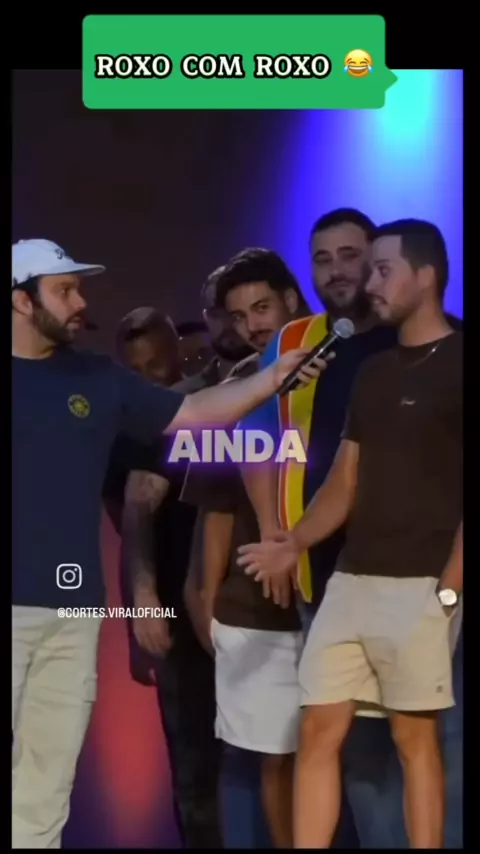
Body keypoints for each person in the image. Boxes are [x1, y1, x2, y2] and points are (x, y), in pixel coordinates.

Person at [11, 237, 320, 849]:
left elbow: (196, 412)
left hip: (72, 616)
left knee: (46, 781)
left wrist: (271, 378)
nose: (81, 301)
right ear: (22, 301)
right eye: (64, 290)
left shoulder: (96, 377)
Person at [238, 219, 463, 848]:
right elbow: (345, 478)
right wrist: (294, 541)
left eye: (382, 269)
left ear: (427, 276)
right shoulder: (373, 372)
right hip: (350, 579)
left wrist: (451, 589)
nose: (369, 282)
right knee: (317, 729)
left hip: (421, 582)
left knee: (414, 738)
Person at [182, 248, 306, 848]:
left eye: (262, 307)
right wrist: (203, 602)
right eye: (239, 315)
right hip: (257, 612)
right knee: (274, 760)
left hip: (336, 596)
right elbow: (216, 512)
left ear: (291, 300)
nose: (253, 324)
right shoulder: (233, 396)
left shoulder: (350, 374)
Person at [102, 307, 222, 847]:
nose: (148, 377)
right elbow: (131, 532)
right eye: (135, 369)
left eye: (155, 363)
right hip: (171, 612)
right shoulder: (125, 437)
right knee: (192, 759)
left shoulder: (215, 408)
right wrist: (137, 622)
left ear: (178, 351)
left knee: (259, 752)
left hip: (235, 598)